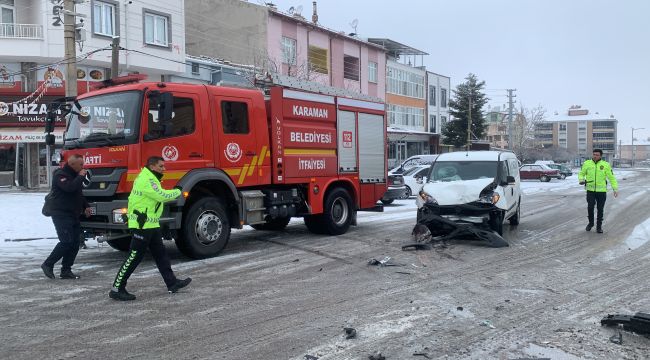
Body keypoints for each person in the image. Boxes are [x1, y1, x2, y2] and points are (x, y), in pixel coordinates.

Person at [109, 156, 191, 301]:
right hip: (142, 225)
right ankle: (117, 288)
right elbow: (162, 196)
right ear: (152, 166)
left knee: (160, 254)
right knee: (134, 257)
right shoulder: (147, 179)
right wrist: (178, 191)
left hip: (150, 224)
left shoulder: (151, 177)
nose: (164, 169)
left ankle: (172, 283)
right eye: (161, 166)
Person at [41, 154, 92, 279]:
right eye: (80, 164)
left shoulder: (75, 176)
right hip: (61, 214)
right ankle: (48, 264)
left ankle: (66, 270)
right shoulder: (60, 175)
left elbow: (78, 193)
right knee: (66, 242)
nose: (83, 167)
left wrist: (86, 206)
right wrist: (80, 177)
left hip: (73, 214)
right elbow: (70, 188)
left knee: (75, 243)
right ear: (72, 164)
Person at [578, 149, 618, 233]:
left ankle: (599, 227)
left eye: (597, 155)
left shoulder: (605, 165)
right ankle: (591, 223)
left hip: (601, 191)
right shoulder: (587, 163)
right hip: (590, 190)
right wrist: (581, 179)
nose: (595, 156)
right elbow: (581, 173)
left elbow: (611, 178)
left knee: (600, 209)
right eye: (594, 154)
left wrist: (615, 189)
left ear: (601, 156)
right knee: (590, 207)